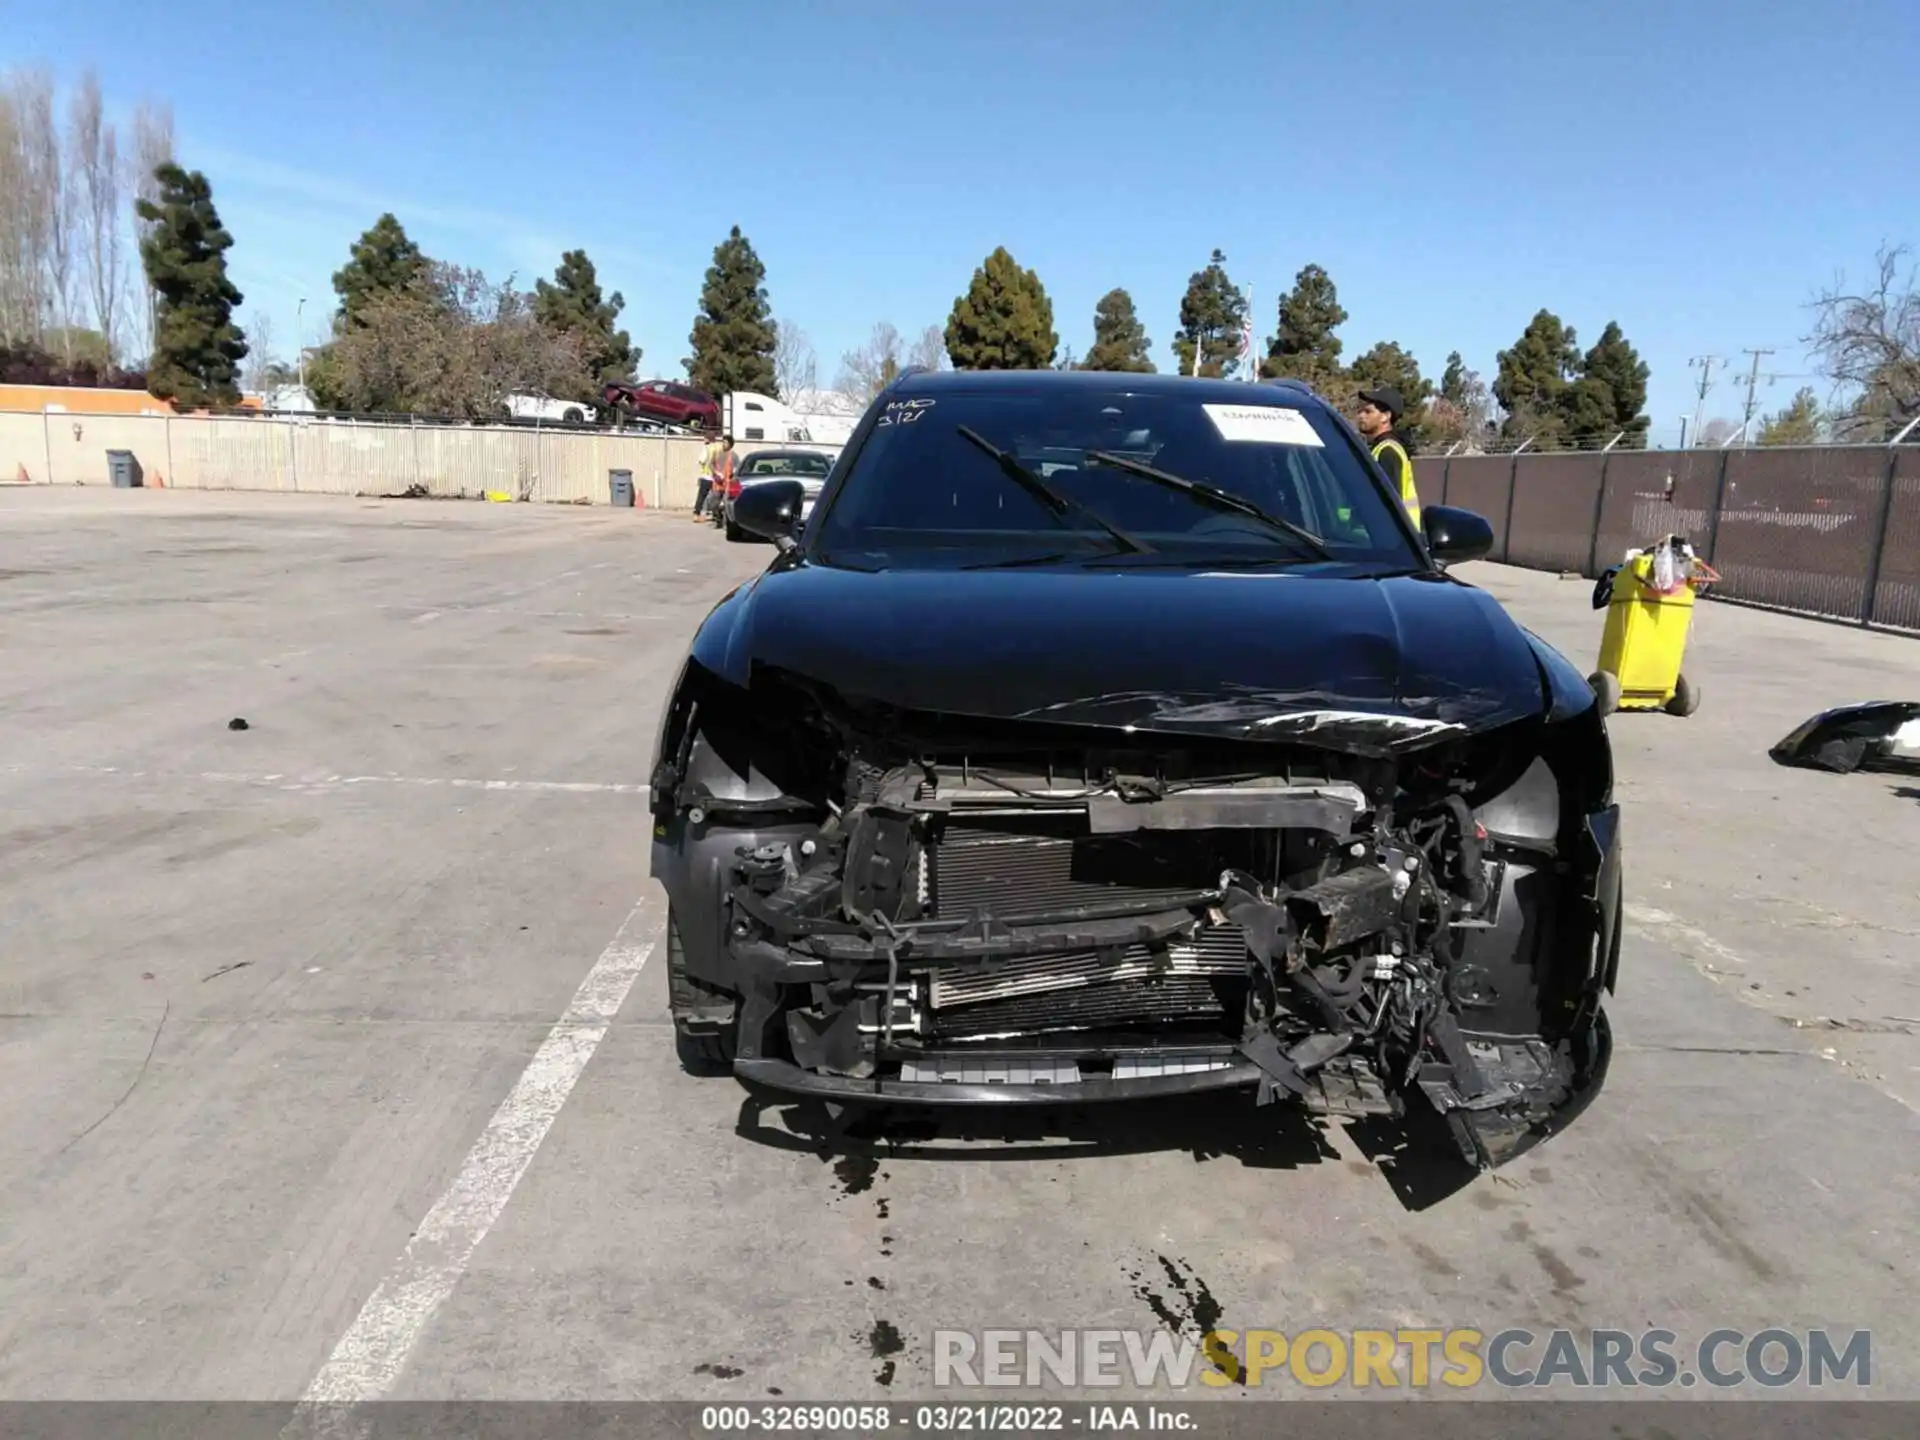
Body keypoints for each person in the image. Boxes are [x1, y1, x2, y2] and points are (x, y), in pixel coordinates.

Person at [1355, 386, 1421, 531]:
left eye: (1368, 411)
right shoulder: (1378, 449)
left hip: (1400, 541)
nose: (1361, 415)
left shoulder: (1388, 451)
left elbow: (1388, 506)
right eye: (1360, 410)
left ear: (1385, 416)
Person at [693, 431, 723, 522]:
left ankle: (696, 514)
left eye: (704, 438)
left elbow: (701, 460)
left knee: (701, 496)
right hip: (718, 476)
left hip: (707, 476)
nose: (703, 439)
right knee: (717, 496)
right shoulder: (720, 447)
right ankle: (716, 515)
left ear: (708, 439)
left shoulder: (707, 448)